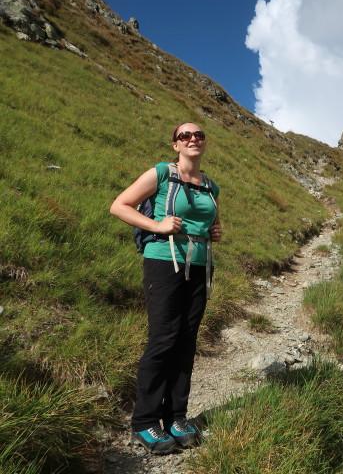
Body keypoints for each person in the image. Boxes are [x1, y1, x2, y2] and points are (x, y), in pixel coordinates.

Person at [110, 122, 222, 454]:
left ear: (205, 143)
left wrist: (215, 232)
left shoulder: (211, 185)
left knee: (186, 340)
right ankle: (144, 422)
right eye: (185, 135)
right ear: (175, 144)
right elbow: (119, 206)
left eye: (198, 135)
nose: (193, 139)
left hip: (201, 266)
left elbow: (212, 221)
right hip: (163, 260)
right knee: (163, 338)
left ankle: (176, 416)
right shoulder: (161, 173)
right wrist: (157, 225)